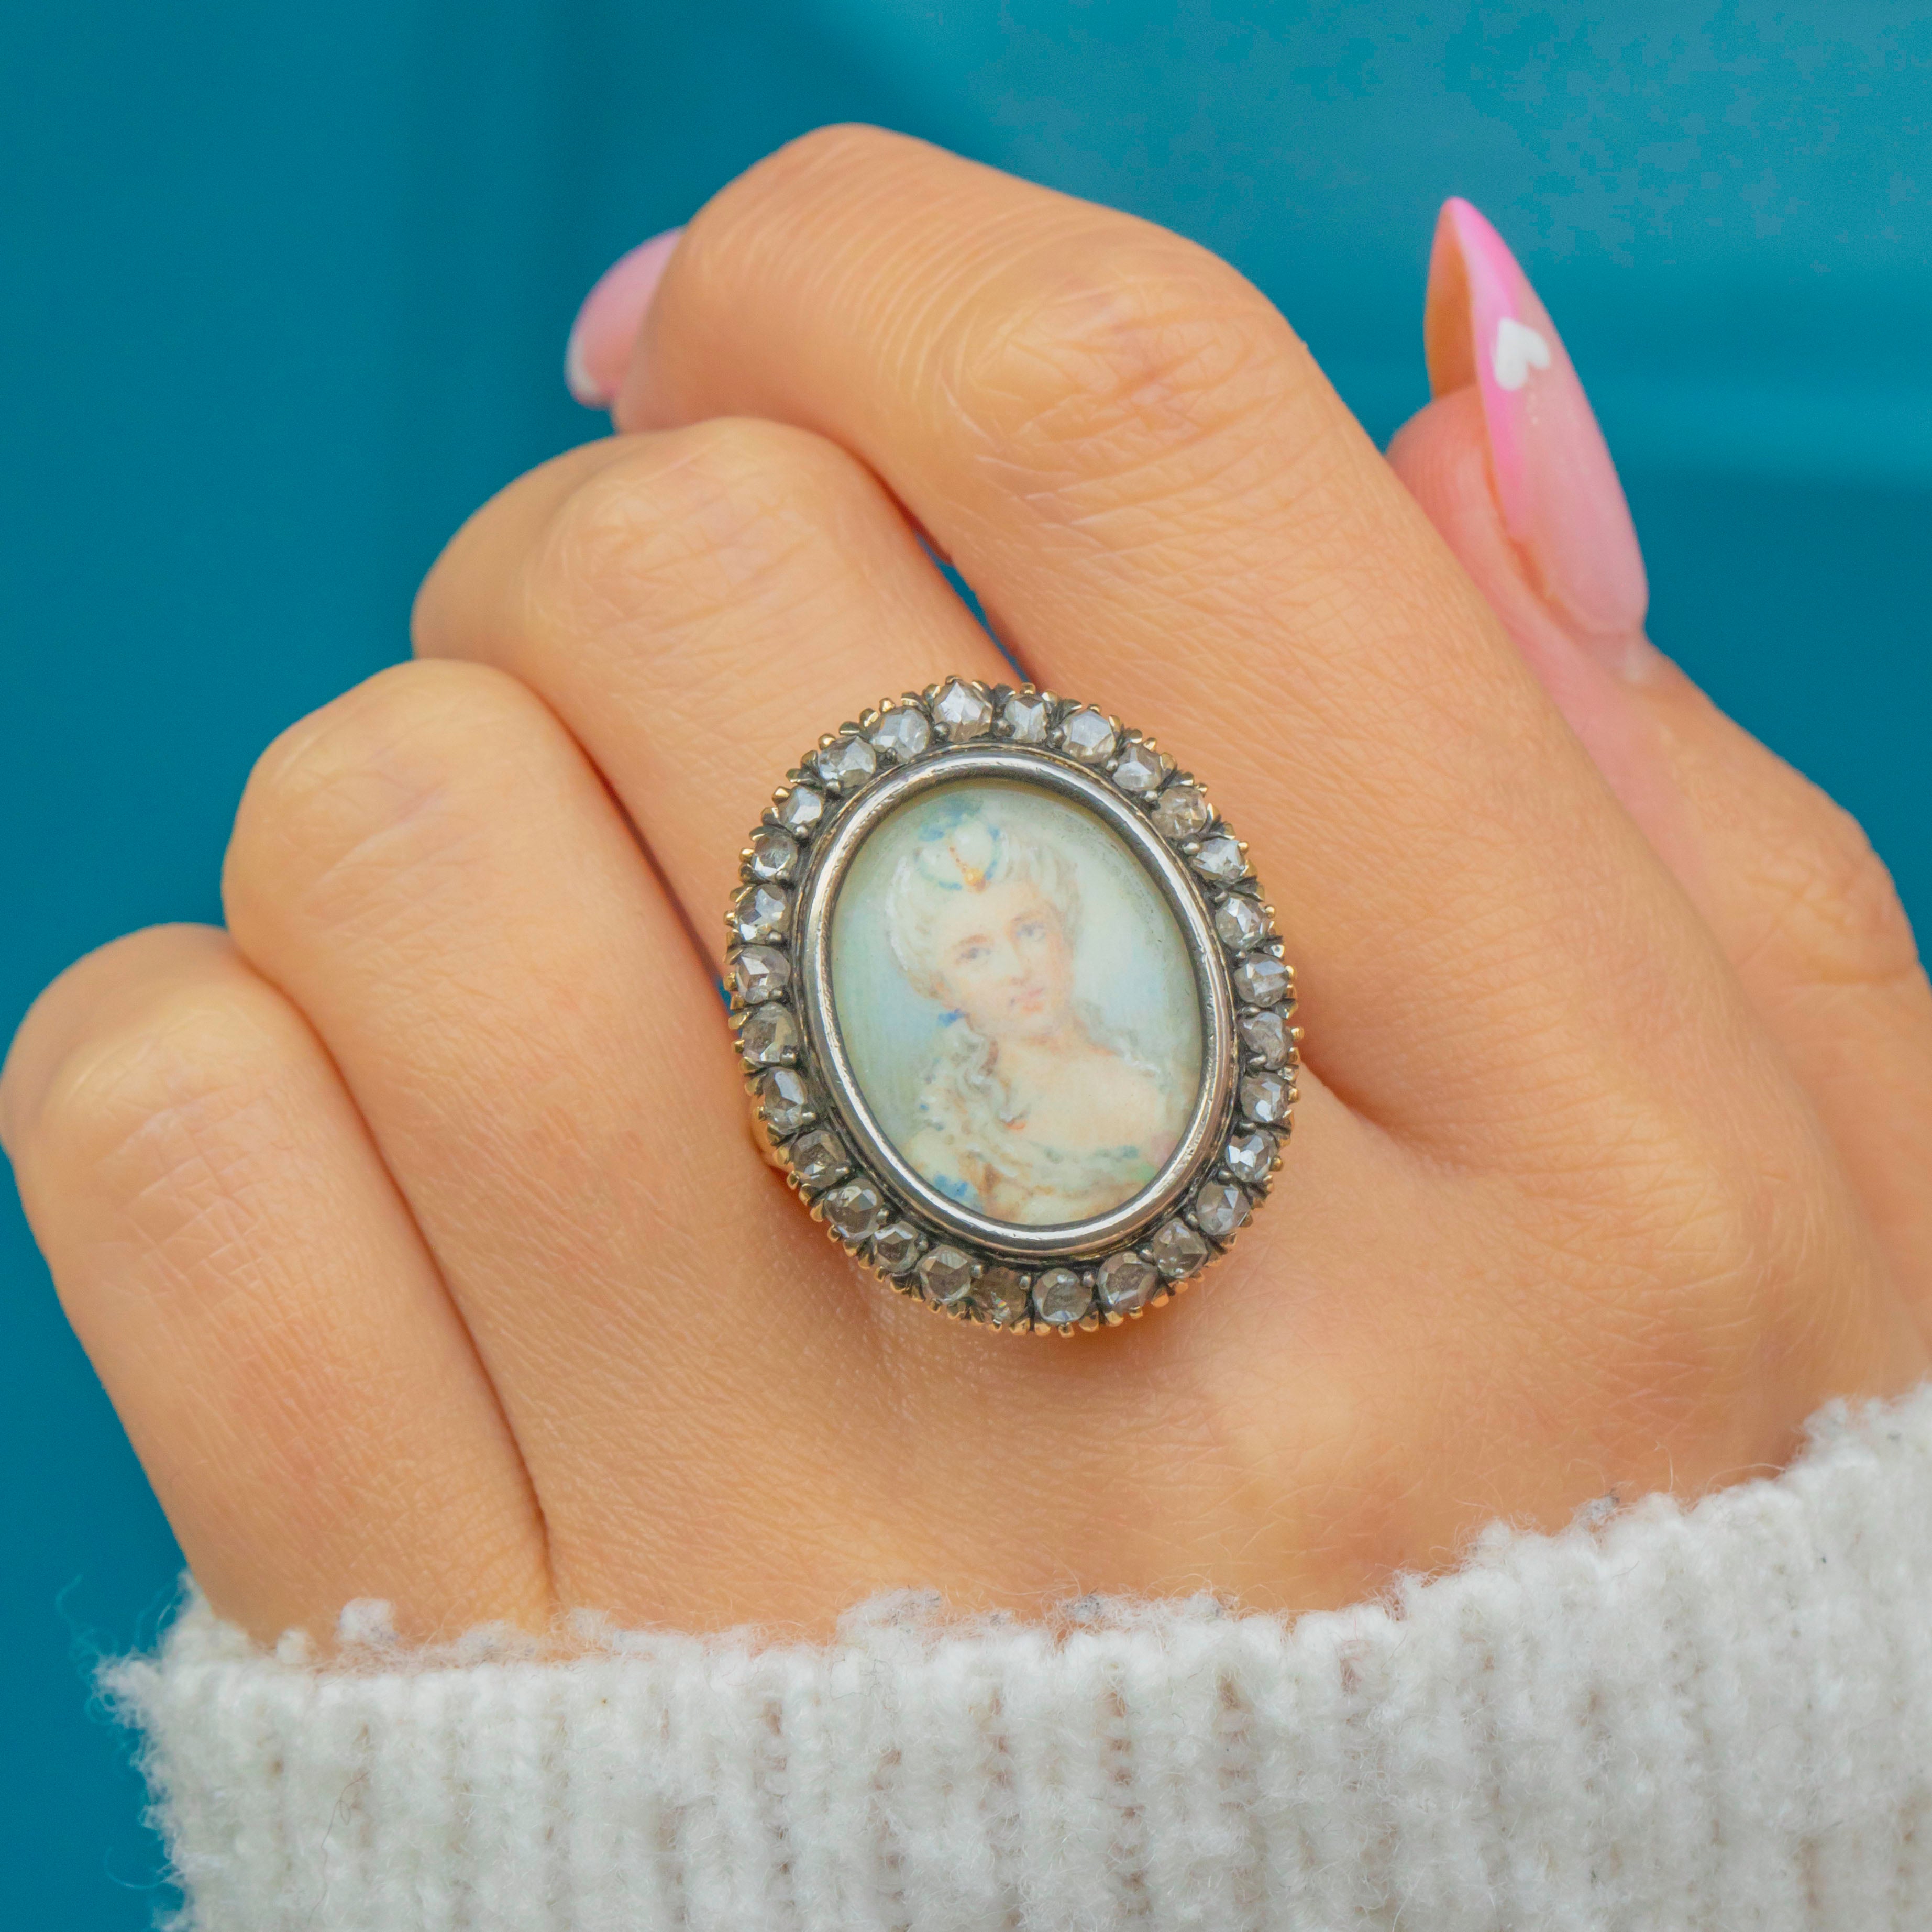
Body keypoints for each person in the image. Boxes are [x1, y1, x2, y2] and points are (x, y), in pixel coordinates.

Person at [7, 134, 1932, 1926]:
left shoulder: (1154, 1074)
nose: (1016, 961)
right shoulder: (955, 1112)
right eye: (976, 941)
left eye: (1034, 924)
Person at [882, 796, 1189, 1223]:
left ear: (1063, 930)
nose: (1018, 969)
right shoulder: (950, 1153)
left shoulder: (1169, 1079)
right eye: (975, 954)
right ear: (944, 989)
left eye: (1029, 931)